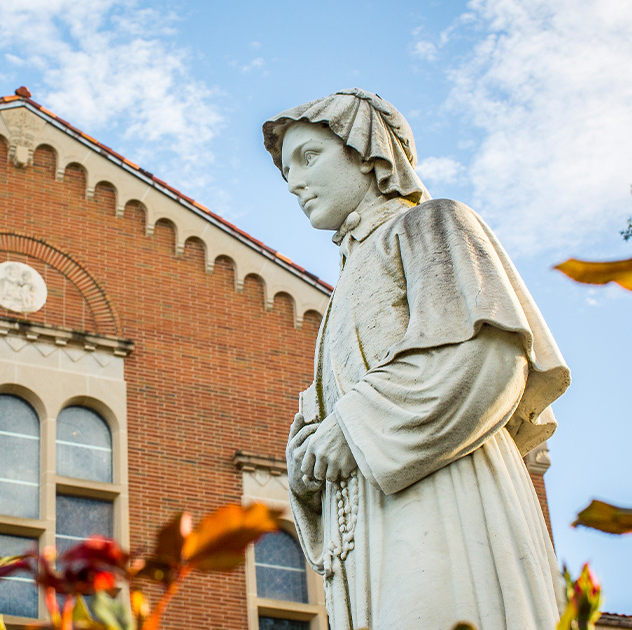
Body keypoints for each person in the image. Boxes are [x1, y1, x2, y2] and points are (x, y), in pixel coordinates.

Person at [263, 88, 570, 630]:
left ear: (369, 152)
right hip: (370, 516)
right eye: (287, 170)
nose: (295, 182)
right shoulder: (342, 289)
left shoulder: (432, 225)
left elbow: (488, 353)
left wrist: (354, 426)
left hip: (444, 489)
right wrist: (307, 460)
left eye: (310, 157)